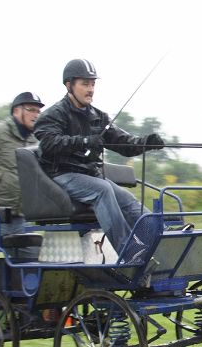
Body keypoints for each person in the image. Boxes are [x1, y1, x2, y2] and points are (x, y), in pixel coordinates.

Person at [33, 59, 165, 264]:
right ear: (69, 85)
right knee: (102, 190)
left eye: (93, 84)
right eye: (85, 84)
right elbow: (49, 142)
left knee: (127, 200)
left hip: (89, 175)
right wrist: (84, 141)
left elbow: (123, 143)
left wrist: (146, 143)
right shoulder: (53, 115)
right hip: (62, 174)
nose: (90, 89)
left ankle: (160, 237)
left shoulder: (98, 117)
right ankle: (129, 252)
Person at [0, 92, 46, 259]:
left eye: (38, 111)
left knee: (34, 264)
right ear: (16, 111)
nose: (35, 115)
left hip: (21, 219)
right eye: (31, 110)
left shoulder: (35, 141)